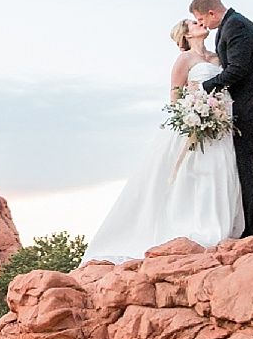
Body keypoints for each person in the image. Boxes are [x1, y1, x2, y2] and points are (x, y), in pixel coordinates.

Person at [83, 17, 244, 264]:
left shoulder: (218, 57)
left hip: (221, 123)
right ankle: (195, 225)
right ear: (186, 34)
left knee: (222, 168)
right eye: (194, 23)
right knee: (195, 171)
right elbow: (175, 93)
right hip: (195, 123)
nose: (200, 23)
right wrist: (193, 112)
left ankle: (221, 226)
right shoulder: (184, 60)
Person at [192, 0, 253, 236]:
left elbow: (238, 70)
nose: (203, 25)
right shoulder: (231, 25)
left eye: (202, 19)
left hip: (251, 106)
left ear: (211, 12)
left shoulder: (237, 26)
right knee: (245, 166)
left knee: (250, 167)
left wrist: (205, 88)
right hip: (246, 106)